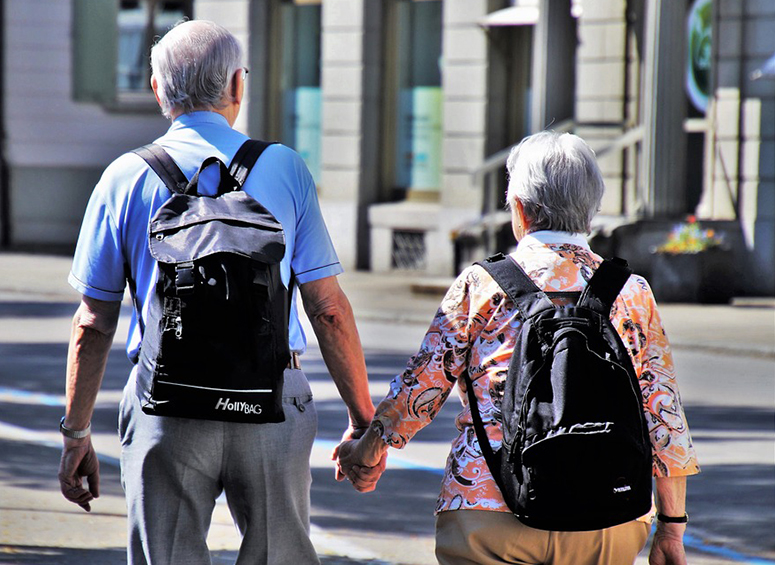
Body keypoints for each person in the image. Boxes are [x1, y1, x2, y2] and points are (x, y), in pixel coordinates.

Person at [58, 20, 382, 565]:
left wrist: (76, 434)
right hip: (273, 400)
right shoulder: (285, 167)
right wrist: (362, 420)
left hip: (166, 406)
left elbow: (93, 322)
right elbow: (327, 309)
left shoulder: (123, 177)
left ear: (159, 91)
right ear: (237, 85)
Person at [334, 131, 700, 565]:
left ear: (521, 209)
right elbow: (664, 415)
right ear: (590, 209)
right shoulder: (632, 292)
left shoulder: (482, 283)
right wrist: (671, 528)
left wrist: (369, 448)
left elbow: (423, 385)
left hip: (488, 510)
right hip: (609, 516)